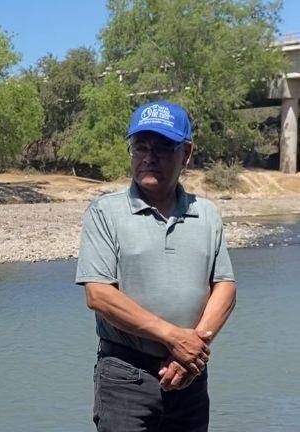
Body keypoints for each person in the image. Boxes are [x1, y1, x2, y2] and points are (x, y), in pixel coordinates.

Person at [75, 100, 237, 431]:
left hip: (190, 375)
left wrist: (192, 349)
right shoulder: (105, 212)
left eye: (164, 147)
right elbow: (99, 294)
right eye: (141, 146)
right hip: (125, 377)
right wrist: (173, 337)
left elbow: (225, 287)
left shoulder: (206, 214)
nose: (150, 156)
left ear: (187, 153)